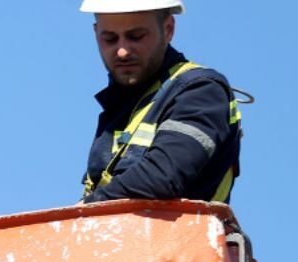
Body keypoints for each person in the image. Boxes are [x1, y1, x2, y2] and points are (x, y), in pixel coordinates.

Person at [79, 0, 241, 204]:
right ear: (96, 34)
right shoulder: (124, 108)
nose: (122, 51)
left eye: (136, 36)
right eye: (110, 39)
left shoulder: (201, 90)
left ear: (168, 29)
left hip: (184, 235)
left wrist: (83, 211)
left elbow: (162, 177)